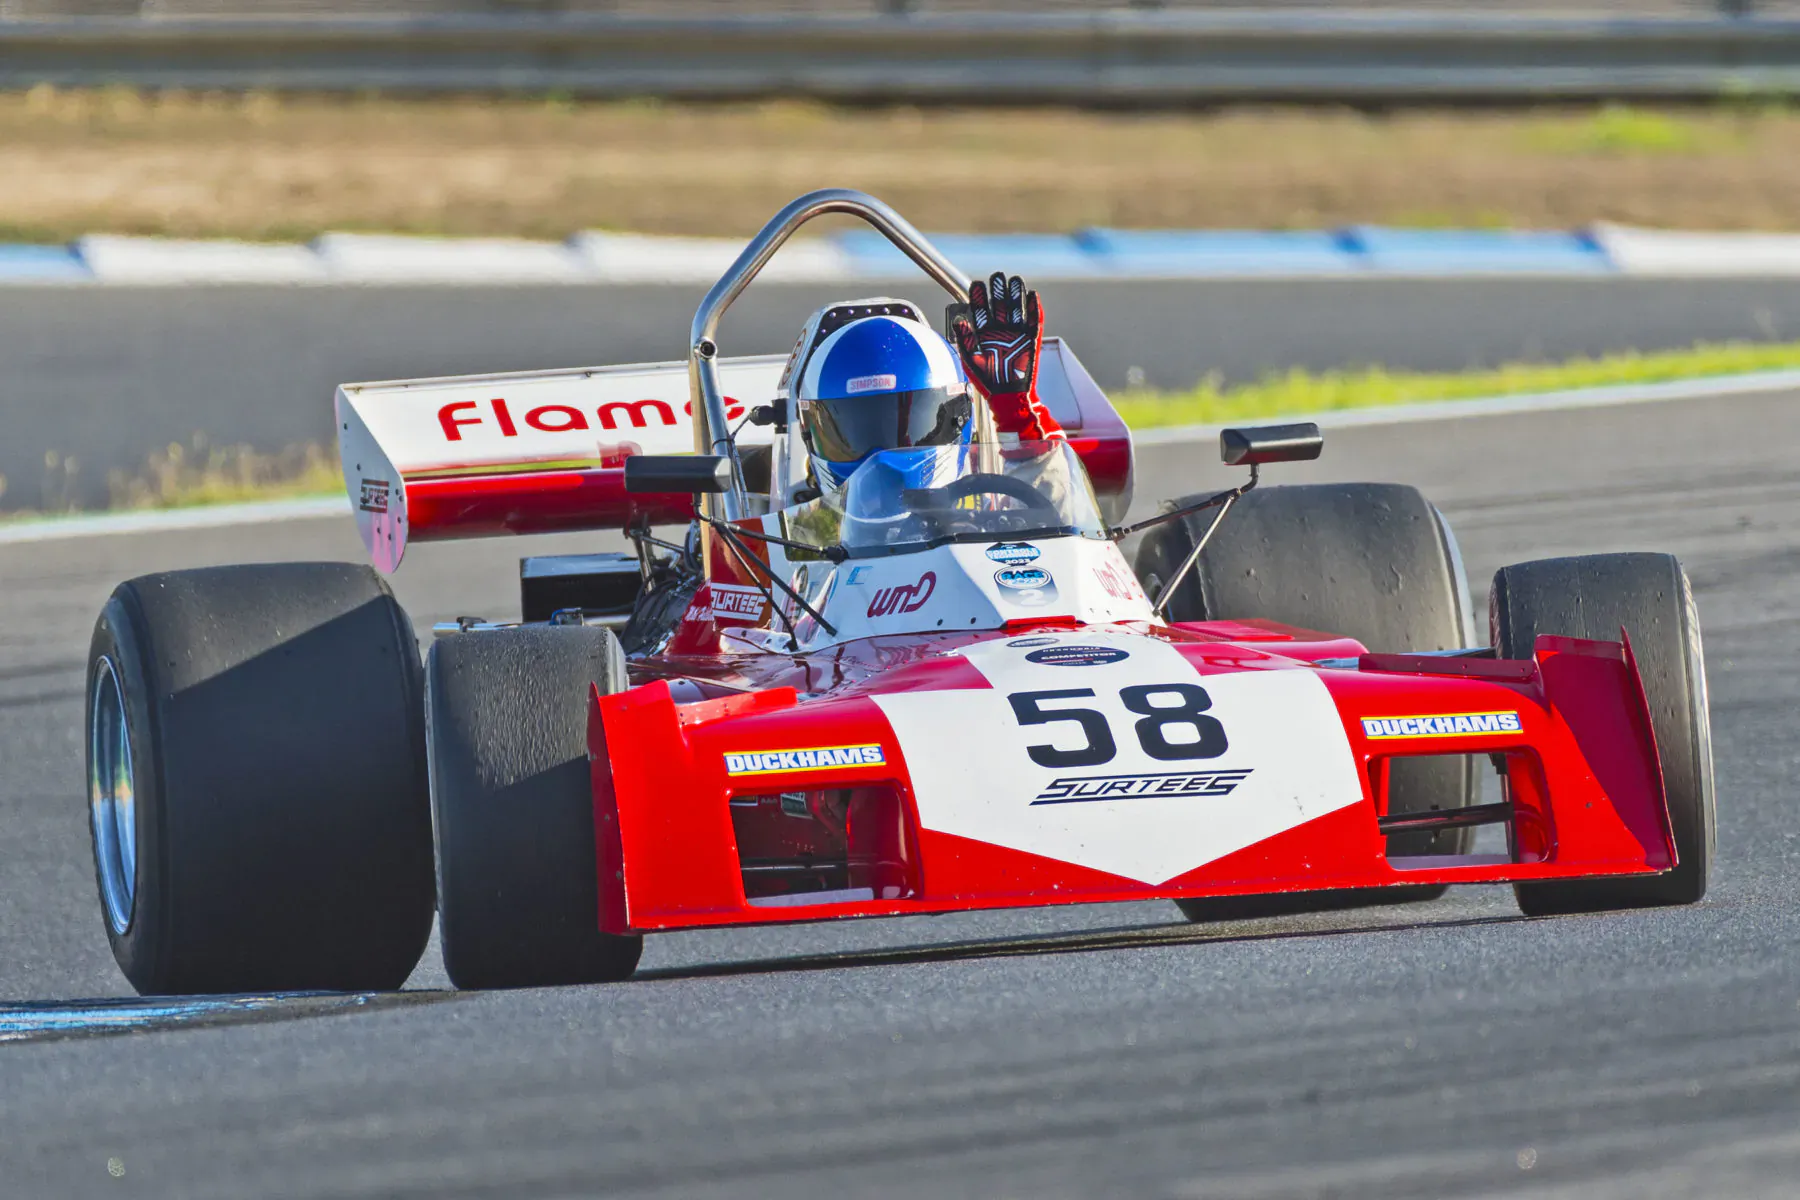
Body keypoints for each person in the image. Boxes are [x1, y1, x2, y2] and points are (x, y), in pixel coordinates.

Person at [792, 273, 1065, 505]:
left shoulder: (989, 533)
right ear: (808, 433)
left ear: (959, 419)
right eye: (853, 433)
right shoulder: (788, 548)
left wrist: (1013, 412)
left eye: (907, 434)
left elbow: (1060, 537)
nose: (880, 466)